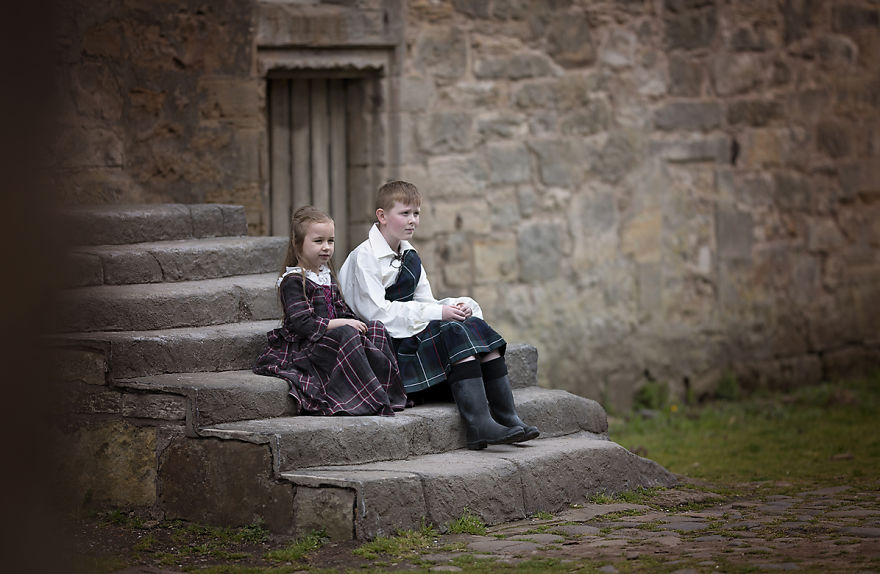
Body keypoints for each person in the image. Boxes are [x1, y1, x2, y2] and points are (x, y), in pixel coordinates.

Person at [338, 180, 539, 449]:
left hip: (411, 335)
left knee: (471, 323)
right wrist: (438, 312)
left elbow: (426, 303)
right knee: (453, 329)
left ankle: (507, 416)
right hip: (387, 348)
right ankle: (479, 423)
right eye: (405, 213)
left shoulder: (410, 255)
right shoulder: (365, 258)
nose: (413, 221)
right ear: (382, 216)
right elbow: (378, 315)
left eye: (417, 213)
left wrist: (455, 307)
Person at [253, 206, 407, 416]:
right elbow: (304, 324)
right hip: (307, 346)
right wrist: (344, 325)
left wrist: (357, 324)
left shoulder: (326, 277)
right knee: (348, 332)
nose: (326, 247)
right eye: (318, 241)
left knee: (376, 329)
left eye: (330, 241)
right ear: (298, 244)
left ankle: (385, 392)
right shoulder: (293, 281)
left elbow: (341, 311)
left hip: (331, 339)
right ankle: (361, 399)